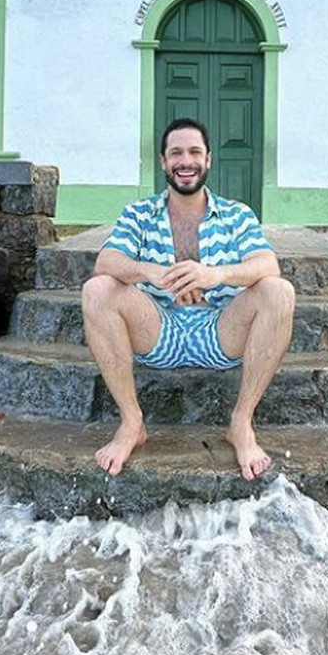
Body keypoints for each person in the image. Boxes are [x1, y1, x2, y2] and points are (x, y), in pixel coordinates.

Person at [81, 117, 295, 481]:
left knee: (279, 290)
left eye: (194, 152)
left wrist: (216, 274)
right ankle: (132, 423)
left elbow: (267, 263)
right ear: (163, 162)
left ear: (208, 159)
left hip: (220, 330)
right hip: (157, 328)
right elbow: (107, 261)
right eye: (176, 153)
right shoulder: (139, 213)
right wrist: (152, 272)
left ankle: (241, 423)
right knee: (97, 288)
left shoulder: (237, 214)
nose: (186, 161)